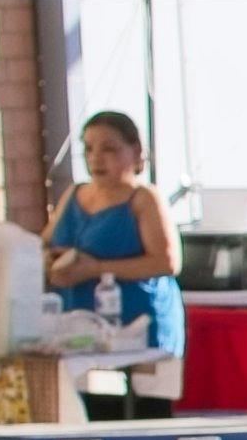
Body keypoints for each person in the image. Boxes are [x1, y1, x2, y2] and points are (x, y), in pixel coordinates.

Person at [43, 107, 180, 351]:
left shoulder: (144, 198)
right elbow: (45, 241)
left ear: (135, 151)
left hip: (136, 326)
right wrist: (49, 259)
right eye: (89, 149)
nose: (96, 158)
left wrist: (95, 269)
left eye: (109, 149)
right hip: (77, 326)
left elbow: (167, 263)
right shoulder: (74, 193)